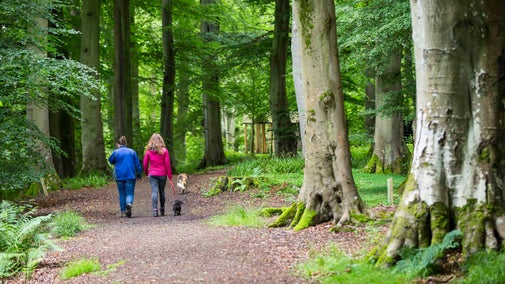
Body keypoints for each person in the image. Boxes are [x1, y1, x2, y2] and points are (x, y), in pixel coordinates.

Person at [108, 136, 142, 218]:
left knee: (122, 193)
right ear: (126, 144)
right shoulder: (132, 152)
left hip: (119, 175)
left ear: (117, 144)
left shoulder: (116, 152)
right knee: (130, 192)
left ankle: (123, 211)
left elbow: (110, 160)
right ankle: (129, 204)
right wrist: (139, 174)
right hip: (130, 175)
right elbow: (137, 164)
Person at [143, 133, 173, 217]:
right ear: (161, 140)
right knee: (162, 191)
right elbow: (167, 164)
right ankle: (162, 209)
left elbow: (145, 164)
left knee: (154, 191)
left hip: (152, 174)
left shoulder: (148, 151)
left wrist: (146, 172)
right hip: (162, 174)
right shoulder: (164, 151)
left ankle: (155, 210)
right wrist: (169, 176)